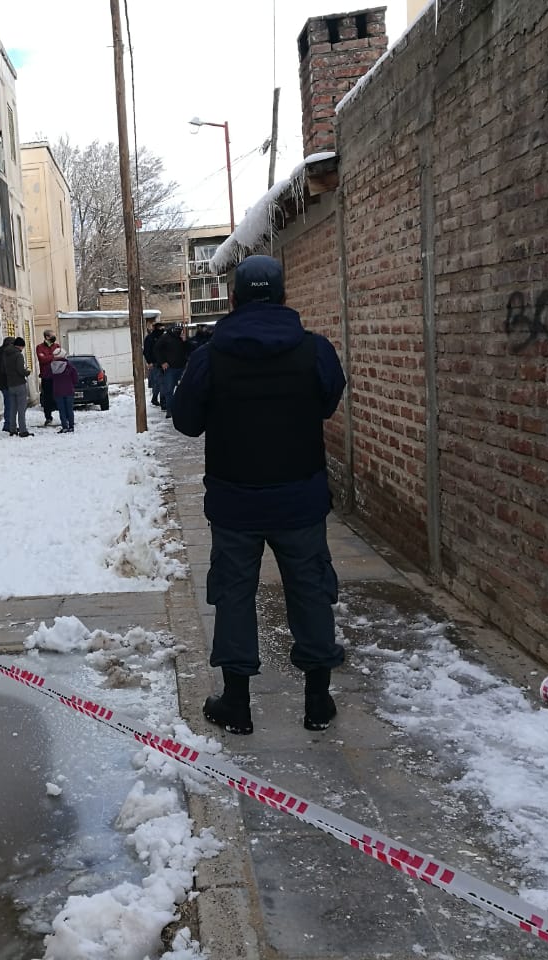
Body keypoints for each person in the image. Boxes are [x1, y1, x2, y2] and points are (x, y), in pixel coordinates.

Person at [170, 255, 347, 735]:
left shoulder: (209, 357)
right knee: (310, 591)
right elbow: (328, 401)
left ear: (233, 299)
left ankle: (237, 703)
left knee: (233, 595)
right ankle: (317, 700)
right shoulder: (315, 351)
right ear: (285, 296)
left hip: (235, 503)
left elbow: (186, 422)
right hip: (300, 500)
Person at [154, 324, 188, 416]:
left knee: (184, 389)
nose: (178, 331)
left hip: (182, 367)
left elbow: (188, 350)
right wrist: (162, 362)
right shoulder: (165, 337)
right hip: (170, 369)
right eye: (177, 329)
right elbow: (156, 349)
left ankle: (182, 408)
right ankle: (170, 409)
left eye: (180, 330)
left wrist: (185, 341)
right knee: (169, 390)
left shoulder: (181, 337)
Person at [2, 336, 32, 437]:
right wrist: (27, 372)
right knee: (21, 409)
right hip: (19, 384)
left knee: (13, 408)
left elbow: (5, 369)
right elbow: (20, 370)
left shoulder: (6, 354)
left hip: (10, 384)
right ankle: (23, 430)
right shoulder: (18, 355)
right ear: (20, 346)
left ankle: (12, 429)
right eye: (23, 347)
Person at [49, 346, 78, 433]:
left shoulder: (52, 366)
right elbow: (75, 379)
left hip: (57, 391)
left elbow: (48, 376)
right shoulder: (69, 366)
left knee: (62, 410)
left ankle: (64, 426)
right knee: (69, 409)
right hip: (69, 390)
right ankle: (71, 426)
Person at [35, 330, 59, 426]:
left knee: (59, 396)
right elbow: (42, 360)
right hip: (46, 376)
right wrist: (53, 356)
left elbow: (61, 357)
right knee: (47, 398)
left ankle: (63, 416)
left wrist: (49, 357)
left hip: (57, 375)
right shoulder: (40, 347)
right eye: (52, 335)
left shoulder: (56, 346)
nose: (54, 337)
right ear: (47, 337)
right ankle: (48, 417)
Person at [0, 336, 16, 434]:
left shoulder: (0, 352)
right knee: (10, 404)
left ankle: (9, 424)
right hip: (8, 383)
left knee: (8, 403)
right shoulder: (6, 353)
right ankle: (9, 425)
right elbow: (5, 369)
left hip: (2, 382)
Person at [142, 321, 164, 406]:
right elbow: (146, 351)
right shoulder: (150, 338)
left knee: (161, 383)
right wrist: (149, 362)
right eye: (159, 327)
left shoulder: (163, 337)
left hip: (163, 363)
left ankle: (156, 399)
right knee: (158, 383)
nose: (161, 329)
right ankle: (160, 401)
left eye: (162, 327)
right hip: (155, 364)